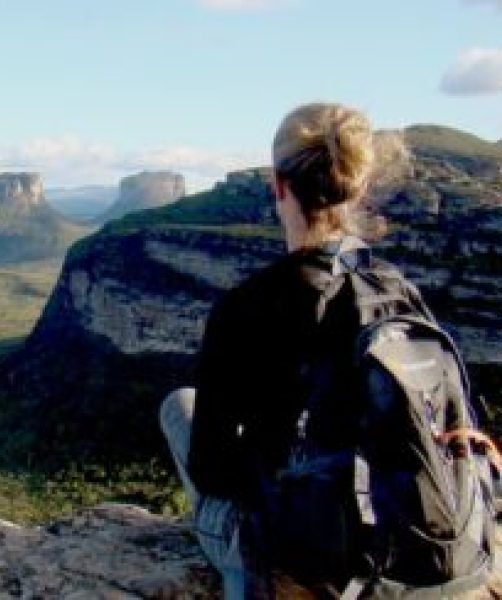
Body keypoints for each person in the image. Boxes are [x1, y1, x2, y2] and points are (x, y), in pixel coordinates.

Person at [160, 102, 406, 598]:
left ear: (278, 185)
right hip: (391, 532)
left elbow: (210, 467)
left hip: (295, 539)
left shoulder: (247, 307)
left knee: (177, 406)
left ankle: (252, 568)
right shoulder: (395, 291)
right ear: (359, 187)